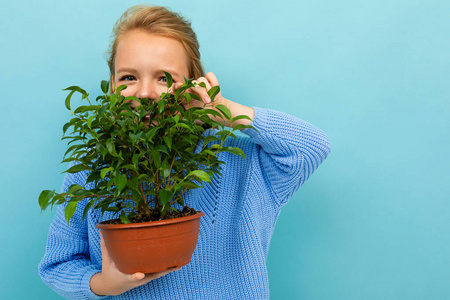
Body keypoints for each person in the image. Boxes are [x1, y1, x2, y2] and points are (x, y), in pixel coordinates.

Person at [39, 4, 331, 299]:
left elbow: (310, 147)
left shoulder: (237, 161)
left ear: (193, 84)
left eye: (164, 78)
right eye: (129, 77)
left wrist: (224, 110)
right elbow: (58, 264)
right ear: (113, 85)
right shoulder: (93, 170)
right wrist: (104, 283)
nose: (145, 92)